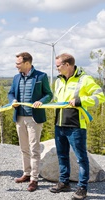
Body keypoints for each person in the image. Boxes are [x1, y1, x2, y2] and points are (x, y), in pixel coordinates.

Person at [49, 53, 105, 200]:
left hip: (76, 126)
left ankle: (82, 188)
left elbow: (100, 96)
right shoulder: (59, 81)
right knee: (62, 155)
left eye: (58, 66)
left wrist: (80, 100)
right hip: (59, 124)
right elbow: (57, 100)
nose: (56, 69)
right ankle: (64, 182)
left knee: (81, 158)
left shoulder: (84, 79)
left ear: (67, 65)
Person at [8, 52, 53, 192]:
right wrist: (13, 101)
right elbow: (11, 93)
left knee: (34, 149)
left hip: (34, 118)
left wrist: (41, 101)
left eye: (18, 63)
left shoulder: (41, 76)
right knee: (24, 148)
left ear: (27, 63)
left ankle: (34, 179)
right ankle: (26, 174)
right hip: (19, 118)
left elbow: (49, 94)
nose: (16, 66)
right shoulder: (16, 78)